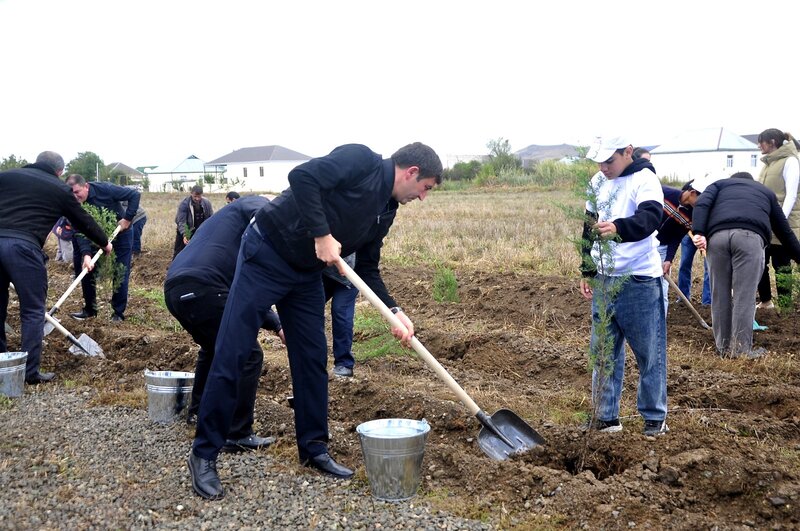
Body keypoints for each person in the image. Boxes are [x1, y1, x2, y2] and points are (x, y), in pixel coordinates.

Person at [187, 142, 442, 500]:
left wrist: (395, 311)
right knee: (234, 351)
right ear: (411, 172)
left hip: (305, 273)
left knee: (310, 359)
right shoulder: (361, 160)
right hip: (266, 253)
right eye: (426, 188)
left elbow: (367, 268)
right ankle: (204, 454)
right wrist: (322, 235)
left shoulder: (385, 210)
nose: (422, 197)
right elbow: (302, 177)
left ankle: (313, 448)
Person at [165, 195, 285, 449]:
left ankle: (197, 412)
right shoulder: (257, 206)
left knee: (212, 347)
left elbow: (238, 291)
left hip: (175, 288)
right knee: (249, 354)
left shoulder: (222, 222)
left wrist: (275, 324)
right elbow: (246, 289)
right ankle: (237, 432)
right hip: (205, 287)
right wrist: (278, 324)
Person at [579, 136, 668, 437]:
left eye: (609, 160)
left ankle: (654, 419)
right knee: (603, 352)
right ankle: (605, 418)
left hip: (639, 279)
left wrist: (619, 228)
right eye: (599, 161)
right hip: (604, 279)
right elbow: (588, 225)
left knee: (649, 353)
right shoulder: (597, 181)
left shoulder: (645, 179)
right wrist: (587, 268)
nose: (603, 167)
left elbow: (651, 218)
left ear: (628, 152)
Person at [0, 152, 111, 384]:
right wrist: (103, 242)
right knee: (32, 311)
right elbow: (82, 220)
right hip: (24, 249)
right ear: (59, 171)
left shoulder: (6, 176)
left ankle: (3, 364)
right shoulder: (58, 189)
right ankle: (29, 373)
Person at [692, 172, 800, 358]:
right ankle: (741, 350)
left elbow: (702, 204)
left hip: (717, 238)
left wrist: (699, 231)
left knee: (719, 295)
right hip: (749, 238)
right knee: (744, 295)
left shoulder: (718, 185)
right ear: (752, 183)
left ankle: (723, 349)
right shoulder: (765, 192)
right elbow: (784, 230)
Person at [66, 173, 140, 322]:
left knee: (120, 271)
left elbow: (134, 195)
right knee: (86, 270)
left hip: (120, 234)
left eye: (77, 192)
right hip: (94, 236)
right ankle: (90, 310)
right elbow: (79, 231)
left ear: (86, 186)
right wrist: (86, 255)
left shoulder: (106, 189)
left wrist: (127, 218)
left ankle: (118, 313)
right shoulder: (71, 203)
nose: (74, 197)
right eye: (71, 193)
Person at [755, 129, 800, 310]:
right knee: (759, 263)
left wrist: (779, 221)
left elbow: (791, 195)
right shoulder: (767, 164)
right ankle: (766, 301)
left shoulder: (790, 161)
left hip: (783, 224)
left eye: (761, 142)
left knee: (781, 265)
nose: (759, 146)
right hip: (766, 224)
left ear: (772, 141)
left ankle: (785, 303)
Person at [323, 253, 358, 377]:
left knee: (341, 312)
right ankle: (316, 362)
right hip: (321, 271)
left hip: (350, 274)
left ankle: (344, 364)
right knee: (312, 313)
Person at [676, 180, 712, 305]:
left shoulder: (707, 202)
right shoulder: (683, 202)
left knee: (709, 267)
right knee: (684, 264)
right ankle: (683, 298)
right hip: (689, 235)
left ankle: (708, 302)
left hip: (706, 236)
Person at [174, 185, 213, 258]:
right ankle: (174, 266)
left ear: (202, 194)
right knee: (180, 250)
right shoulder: (184, 204)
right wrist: (185, 234)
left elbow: (210, 218)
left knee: (198, 249)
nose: (197, 199)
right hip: (186, 228)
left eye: (199, 196)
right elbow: (181, 221)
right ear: (191, 193)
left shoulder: (207, 203)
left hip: (199, 229)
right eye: (195, 196)